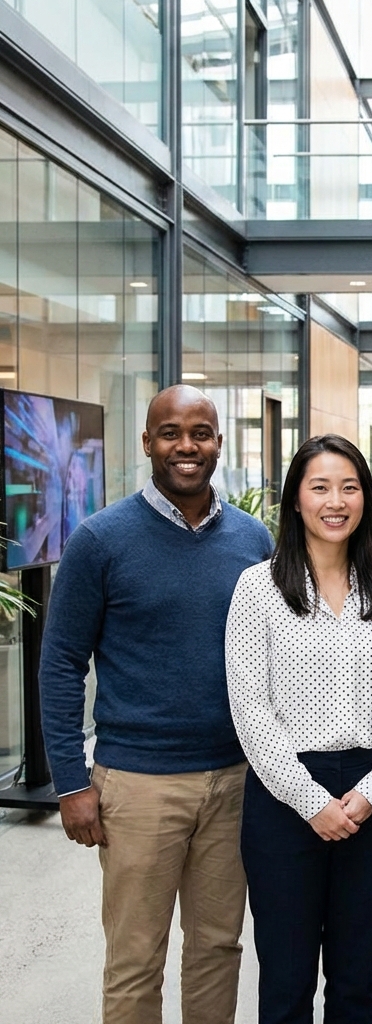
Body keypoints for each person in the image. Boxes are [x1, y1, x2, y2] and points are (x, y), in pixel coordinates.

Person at [38, 384, 274, 1024]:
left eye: (200, 432)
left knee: (217, 950)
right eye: (170, 433)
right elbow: (61, 662)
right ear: (147, 443)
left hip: (235, 782)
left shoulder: (255, 541)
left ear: (219, 442)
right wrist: (69, 782)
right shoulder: (100, 539)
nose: (186, 447)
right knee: (136, 959)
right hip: (137, 784)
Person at [226, 434, 372, 1024]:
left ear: (366, 499)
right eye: (320, 487)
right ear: (295, 502)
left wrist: (370, 792)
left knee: (357, 979)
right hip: (285, 796)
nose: (336, 501)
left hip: (370, 795)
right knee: (285, 980)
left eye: (350, 487)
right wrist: (312, 802)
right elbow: (250, 710)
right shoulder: (257, 589)